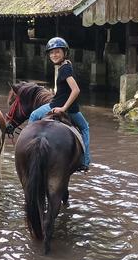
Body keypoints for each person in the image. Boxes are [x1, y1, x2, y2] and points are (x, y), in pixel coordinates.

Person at [28, 37, 91, 171]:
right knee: (84, 129)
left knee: (33, 115)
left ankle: (29, 149)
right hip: (69, 107)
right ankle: (84, 162)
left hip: (61, 107)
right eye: (51, 53)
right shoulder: (67, 65)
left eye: (57, 52)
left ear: (64, 53)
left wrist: (63, 108)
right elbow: (67, 89)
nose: (53, 55)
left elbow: (76, 90)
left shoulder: (64, 69)